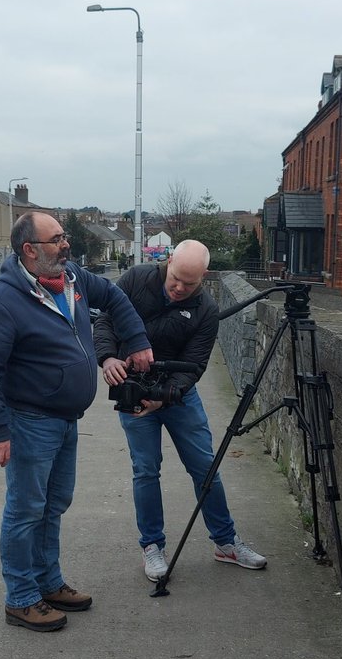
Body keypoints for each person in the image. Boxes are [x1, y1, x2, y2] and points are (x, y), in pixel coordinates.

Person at [0, 211, 153, 632]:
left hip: (65, 418)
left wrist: (139, 340)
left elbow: (115, 296)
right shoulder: (5, 299)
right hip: (29, 421)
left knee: (53, 506)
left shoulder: (70, 278)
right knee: (25, 510)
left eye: (64, 236)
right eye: (56, 240)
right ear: (29, 250)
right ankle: (20, 598)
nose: (66, 244)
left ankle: (48, 583)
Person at [93, 239, 267, 581]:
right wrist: (108, 356)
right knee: (146, 470)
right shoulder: (135, 280)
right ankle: (152, 547)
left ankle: (226, 542)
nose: (179, 288)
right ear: (169, 261)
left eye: (190, 283)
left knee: (205, 468)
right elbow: (105, 321)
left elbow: (194, 366)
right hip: (133, 389)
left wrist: (165, 397)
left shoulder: (206, 310)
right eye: (175, 278)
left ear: (204, 276)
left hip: (178, 396)